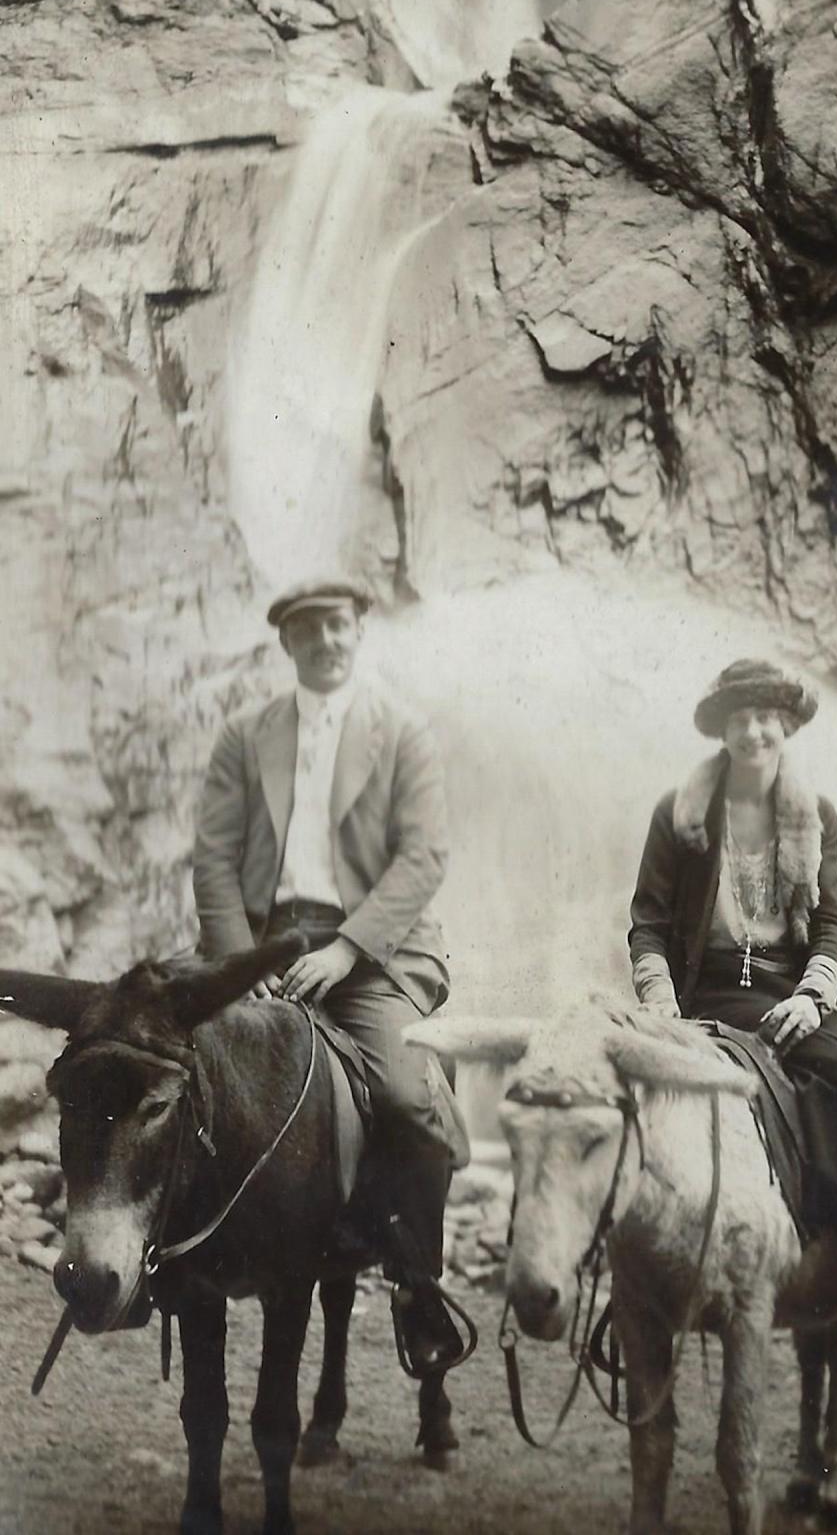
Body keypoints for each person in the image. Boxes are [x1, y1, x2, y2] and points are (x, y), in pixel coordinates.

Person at [628, 658, 837, 1415]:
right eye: (740, 716)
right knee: (633, 1100)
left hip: (795, 994)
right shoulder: (680, 812)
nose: (755, 728)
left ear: (786, 726)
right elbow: (649, 924)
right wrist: (662, 1003)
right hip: (705, 995)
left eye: (768, 715)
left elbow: (829, 920)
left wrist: (814, 992)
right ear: (722, 729)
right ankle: (628, 1286)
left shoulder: (816, 813)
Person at [192, 574, 469, 1374]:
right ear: (286, 642)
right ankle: (161, 1261)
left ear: (359, 630)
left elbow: (424, 856)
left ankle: (418, 1286)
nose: (325, 640)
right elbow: (213, 856)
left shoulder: (403, 732)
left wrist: (348, 948)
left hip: (370, 951)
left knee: (412, 1101)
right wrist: (238, 964)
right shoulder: (246, 735)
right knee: (167, 1063)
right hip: (263, 945)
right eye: (307, 628)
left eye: (338, 625)